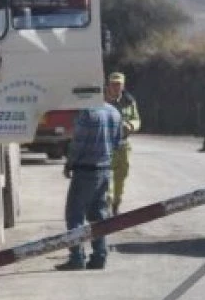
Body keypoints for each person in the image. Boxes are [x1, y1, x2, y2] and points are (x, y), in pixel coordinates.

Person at [56, 98, 124, 271]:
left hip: (85, 170)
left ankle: (77, 258)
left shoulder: (87, 112)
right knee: (98, 215)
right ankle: (99, 256)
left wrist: (69, 164)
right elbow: (118, 143)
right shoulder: (114, 112)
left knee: (75, 215)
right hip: (104, 170)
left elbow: (78, 144)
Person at [105, 71, 141, 214]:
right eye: (113, 84)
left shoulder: (129, 101)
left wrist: (131, 125)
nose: (116, 87)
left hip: (123, 144)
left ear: (123, 85)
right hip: (107, 144)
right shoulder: (102, 101)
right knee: (106, 175)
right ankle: (107, 202)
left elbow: (137, 119)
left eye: (118, 84)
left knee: (122, 175)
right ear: (108, 85)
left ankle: (116, 202)